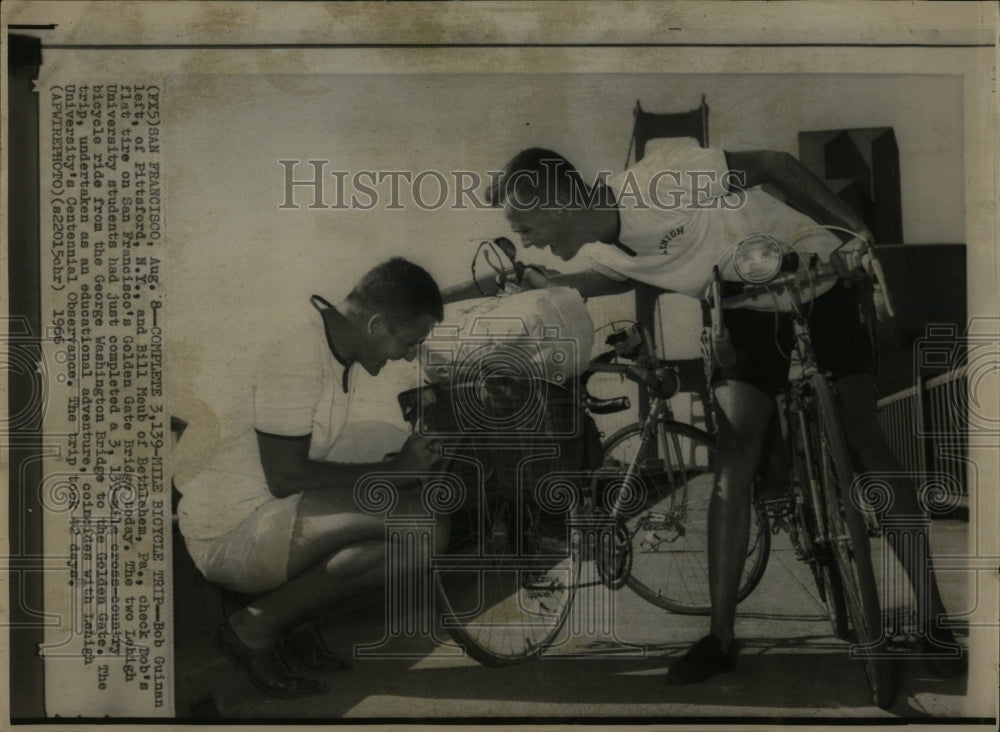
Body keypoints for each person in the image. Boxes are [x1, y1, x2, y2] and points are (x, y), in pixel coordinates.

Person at [459, 141, 965, 684]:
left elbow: (771, 166)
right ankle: (721, 637)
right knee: (733, 465)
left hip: (816, 277)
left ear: (556, 206)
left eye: (526, 227)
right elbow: (621, 274)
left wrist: (859, 237)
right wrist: (545, 283)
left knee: (867, 437)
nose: (526, 240)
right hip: (740, 313)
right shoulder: (605, 251)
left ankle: (935, 623)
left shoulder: (660, 180)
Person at [176, 257, 448, 698]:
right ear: (378, 324)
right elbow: (286, 476)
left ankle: (292, 624)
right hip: (231, 530)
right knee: (422, 527)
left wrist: (401, 461)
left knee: (407, 531)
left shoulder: (333, 344)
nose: (410, 354)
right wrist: (395, 472)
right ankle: (253, 628)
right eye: (411, 341)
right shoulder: (297, 353)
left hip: (265, 510)